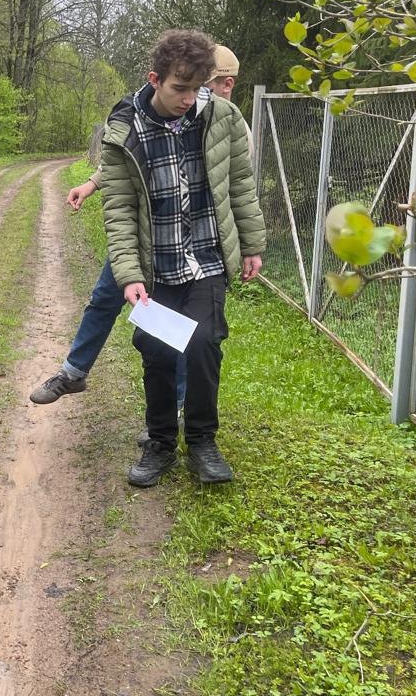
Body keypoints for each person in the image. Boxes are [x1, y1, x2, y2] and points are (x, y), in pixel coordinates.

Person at [97, 30, 265, 487]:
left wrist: (252, 245)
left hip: (207, 259)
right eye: (179, 88)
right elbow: (119, 212)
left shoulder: (222, 118)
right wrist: (129, 275)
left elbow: (240, 186)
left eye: (198, 89)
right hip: (157, 266)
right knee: (155, 349)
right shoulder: (124, 133)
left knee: (205, 342)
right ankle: (160, 443)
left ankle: (203, 442)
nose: (189, 99)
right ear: (155, 79)